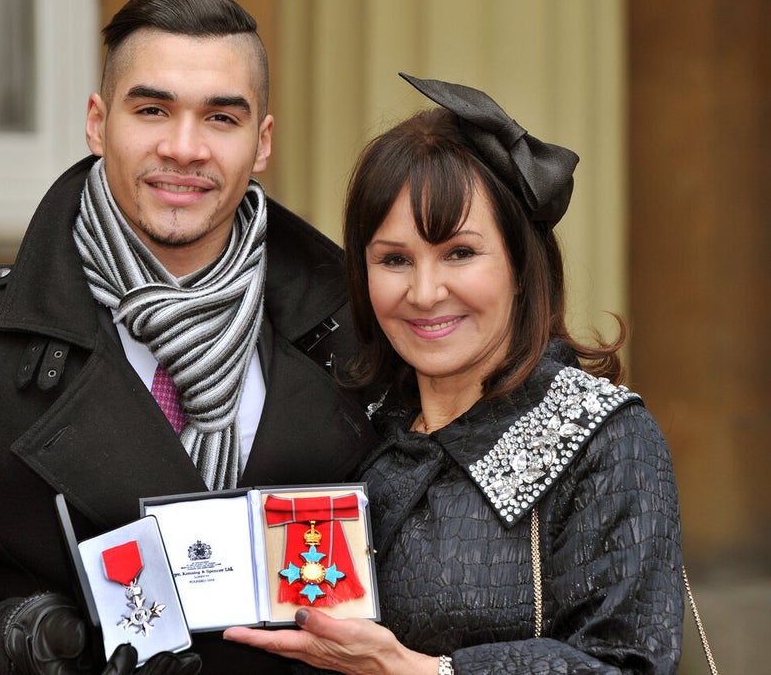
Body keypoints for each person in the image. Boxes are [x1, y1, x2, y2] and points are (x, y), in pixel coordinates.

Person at [0, 0, 378, 675]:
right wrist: (20, 641)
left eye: (220, 118)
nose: (184, 147)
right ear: (96, 122)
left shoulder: (361, 337)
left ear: (261, 143)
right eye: (152, 109)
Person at [223, 74, 685, 673]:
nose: (424, 292)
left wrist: (418, 672)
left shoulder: (604, 439)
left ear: (521, 263)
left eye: (459, 253)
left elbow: (630, 665)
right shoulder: (343, 422)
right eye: (394, 260)